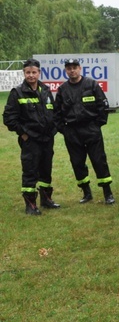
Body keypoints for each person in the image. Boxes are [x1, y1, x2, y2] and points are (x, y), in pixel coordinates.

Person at [54, 58, 115, 205]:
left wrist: (97, 124)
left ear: (80, 68)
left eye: (74, 67)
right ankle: (87, 192)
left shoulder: (91, 84)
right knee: (77, 163)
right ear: (66, 70)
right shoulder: (62, 89)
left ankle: (108, 193)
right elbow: (56, 114)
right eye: (69, 68)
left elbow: (103, 105)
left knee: (99, 160)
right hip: (72, 132)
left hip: (91, 129)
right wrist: (64, 130)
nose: (72, 70)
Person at [3, 58, 59, 214]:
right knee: (30, 171)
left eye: (34, 72)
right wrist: (23, 134)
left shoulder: (46, 90)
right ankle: (30, 205)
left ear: (39, 73)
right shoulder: (17, 92)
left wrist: (53, 130)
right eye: (28, 72)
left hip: (47, 139)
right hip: (31, 140)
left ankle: (46, 200)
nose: (31, 75)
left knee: (46, 170)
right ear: (24, 73)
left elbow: (54, 112)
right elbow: (9, 118)